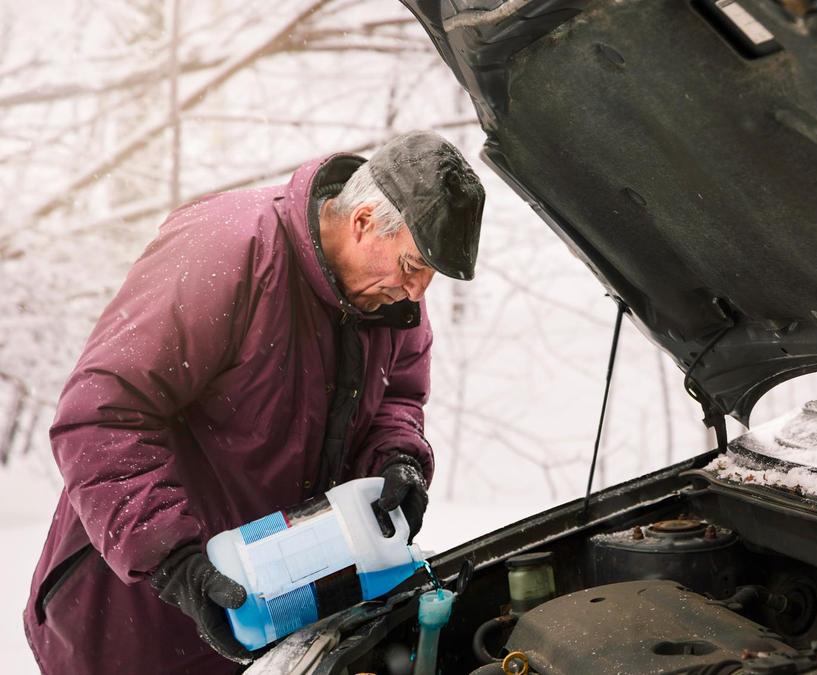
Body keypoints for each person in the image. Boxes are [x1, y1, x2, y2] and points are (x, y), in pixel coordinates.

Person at [22, 130, 485, 674]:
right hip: (135, 615)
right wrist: (173, 562)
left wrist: (395, 459)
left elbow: (398, 396)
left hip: (270, 618)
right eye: (413, 266)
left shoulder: (390, 299)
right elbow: (99, 415)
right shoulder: (228, 250)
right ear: (363, 223)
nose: (418, 292)